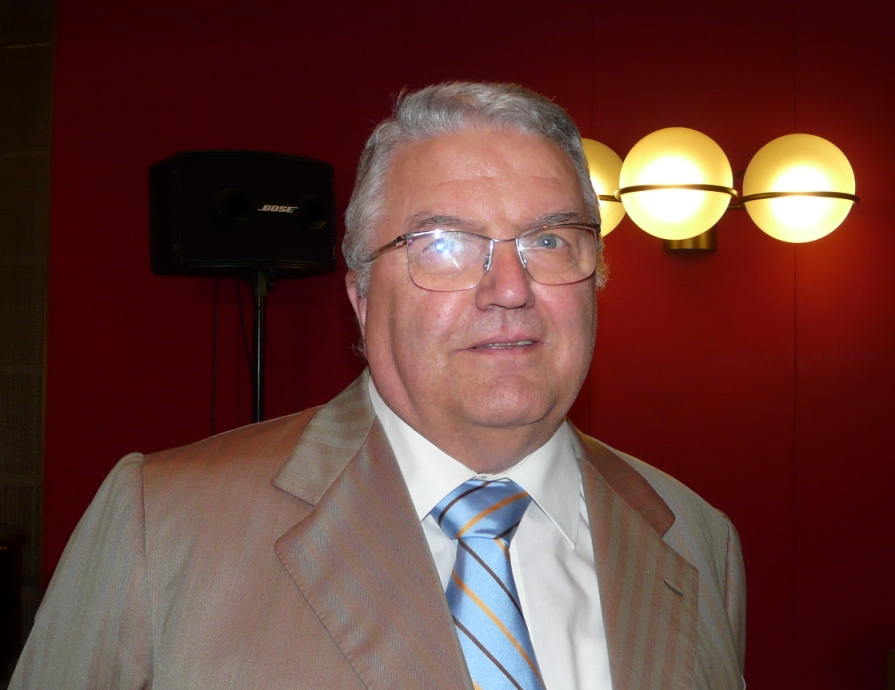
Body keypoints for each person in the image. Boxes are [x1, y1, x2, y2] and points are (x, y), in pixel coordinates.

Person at [12, 82, 745, 689]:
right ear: (360, 294)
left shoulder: (694, 538)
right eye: (444, 244)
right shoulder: (163, 524)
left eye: (549, 240)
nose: (509, 288)